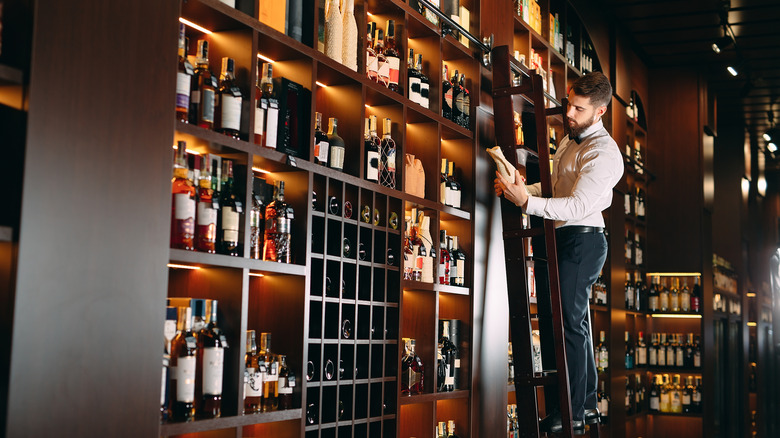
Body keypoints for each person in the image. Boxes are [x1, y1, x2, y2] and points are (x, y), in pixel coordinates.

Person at [494, 71, 623, 434]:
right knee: (571, 321)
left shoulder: (603, 153)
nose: (569, 112)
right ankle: (584, 404)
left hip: (583, 240)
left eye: (579, 109)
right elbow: (555, 183)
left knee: (568, 322)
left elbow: (577, 204)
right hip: (565, 238)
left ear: (599, 112)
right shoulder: (571, 139)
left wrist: (528, 203)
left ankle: (575, 411)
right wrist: (519, 187)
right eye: (569, 103)